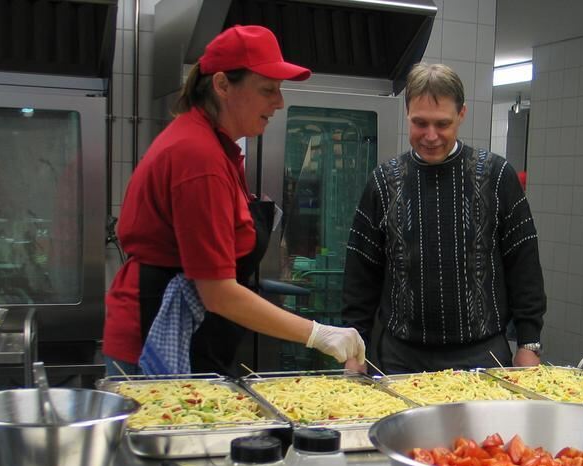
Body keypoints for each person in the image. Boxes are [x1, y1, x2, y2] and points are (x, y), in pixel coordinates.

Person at [103, 25, 364, 376]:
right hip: (152, 340)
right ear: (223, 85)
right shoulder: (197, 157)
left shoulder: (218, 148)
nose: (280, 102)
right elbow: (218, 293)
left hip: (187, 332)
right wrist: (316, 333)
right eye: (268, 89)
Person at [341, 63, 546, 374]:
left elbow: (524, 263)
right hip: (400, 358)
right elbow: (361, 273)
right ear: (406, 113)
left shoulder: (497, 175)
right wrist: (354, 348)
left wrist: (529, 345)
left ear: (461, 115)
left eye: (443, 124)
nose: (431, 136)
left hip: (482, 356)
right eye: (420, 123)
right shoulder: (384, 181)